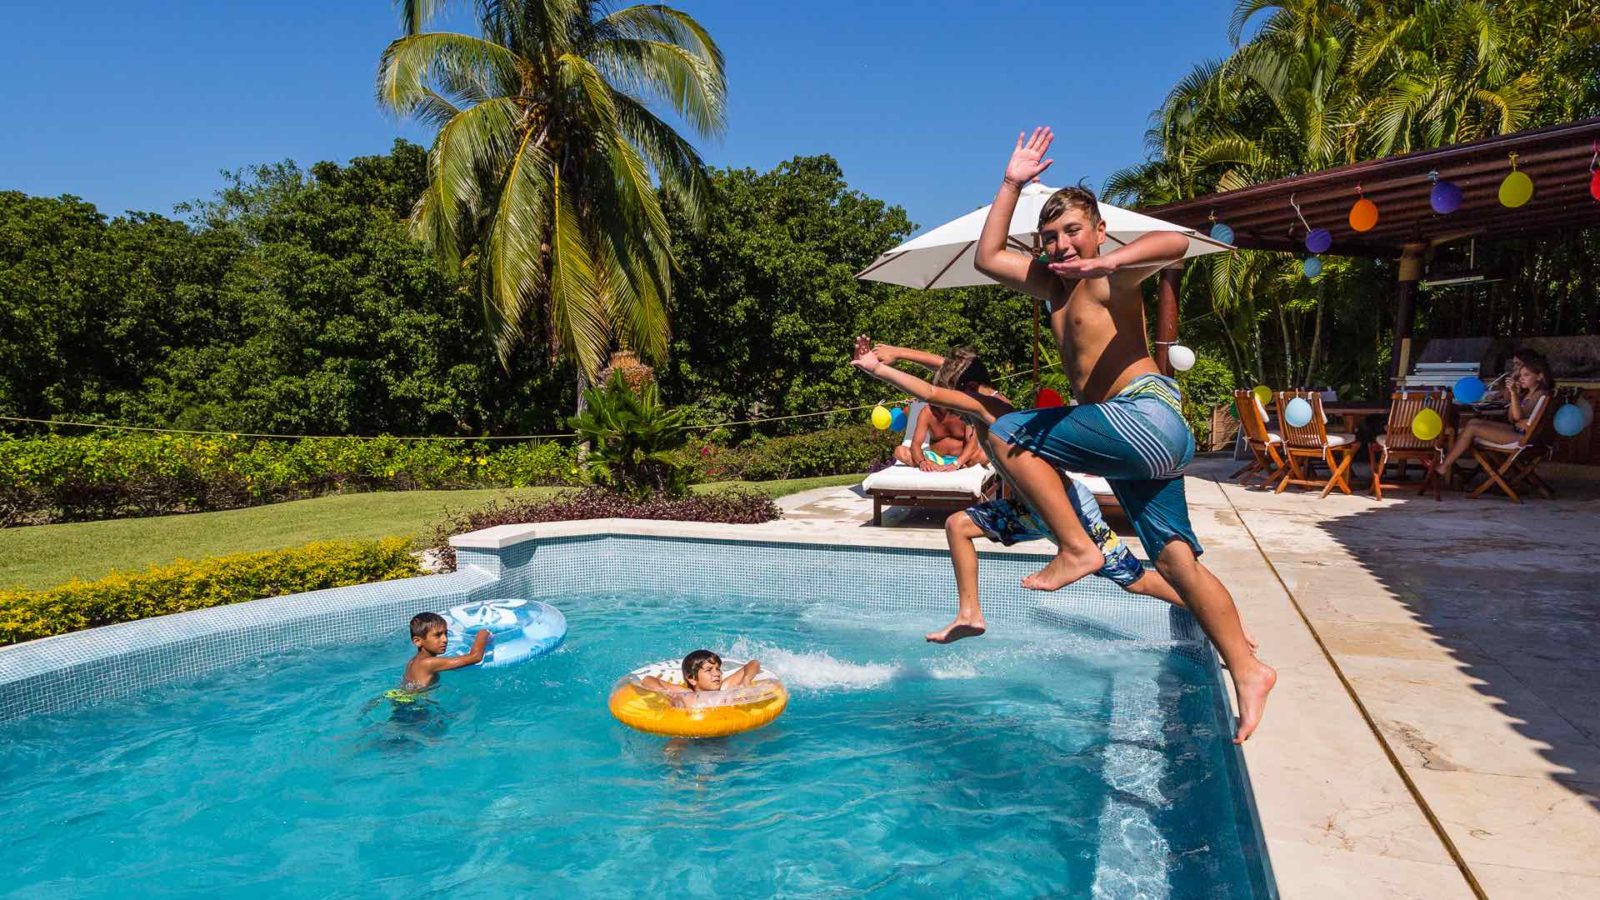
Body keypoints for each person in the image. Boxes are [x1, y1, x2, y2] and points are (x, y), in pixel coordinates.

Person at [971, 127, 1274, 742]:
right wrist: (1011, 184)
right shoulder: (1053, 286)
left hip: (1143, 414)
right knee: (1173, 560)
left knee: (1005, 433)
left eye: (1073, 231)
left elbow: (1176, 244)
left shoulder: (1110, 277)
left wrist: (1110, 261)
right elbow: (987, 257)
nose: (1061, 243)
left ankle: (1078, 548)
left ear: (1099, 230)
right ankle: (1249, 666)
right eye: (1050, 236)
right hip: (1133, 437)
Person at [853, 337, 1259, 649]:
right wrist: (901, 353)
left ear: (973, 389)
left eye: (958, 400)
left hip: (1069, 511)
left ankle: (1226, 627)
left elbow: (932, 392)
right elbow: (946, 373)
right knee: (958, 525)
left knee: (1134, 582)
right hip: (1026, 510)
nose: (951, 413)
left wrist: (877, 369)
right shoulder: (983, 397)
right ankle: (970, 613)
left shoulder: (993, 409)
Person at [1439, 355, 1554, 474]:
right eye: (1520, 375)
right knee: (1473, 422)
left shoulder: (1540, 394)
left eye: (1526, 375)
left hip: (1524, 438)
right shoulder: (1529, 393)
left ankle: (1445, 465)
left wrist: (1514, 395)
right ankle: (1447, 465)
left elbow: (1517, 417)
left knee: (1472, 428)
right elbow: (1513, 418)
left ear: (1540, 376)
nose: (1521, 379)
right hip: (1521, 431)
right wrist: (1516, 395)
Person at [401, 612, 491, 691]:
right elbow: (475, 657)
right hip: (414, 705)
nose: (445, 639)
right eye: (438, 635)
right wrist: (483, 634)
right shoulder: (429, 663)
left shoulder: (414, 661)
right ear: (418, 641)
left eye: (446, 633)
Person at [639, 650, 762, 704]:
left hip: (723, 731)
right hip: (690, 732)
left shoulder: (724, 688)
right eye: (709, 670)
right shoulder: (687, 694)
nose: (717, 673)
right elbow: (647, 680)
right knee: (673, 748)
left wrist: (746, 680)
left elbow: (753, 664)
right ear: (692, 678)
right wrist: (663, 692)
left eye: (718, 669)